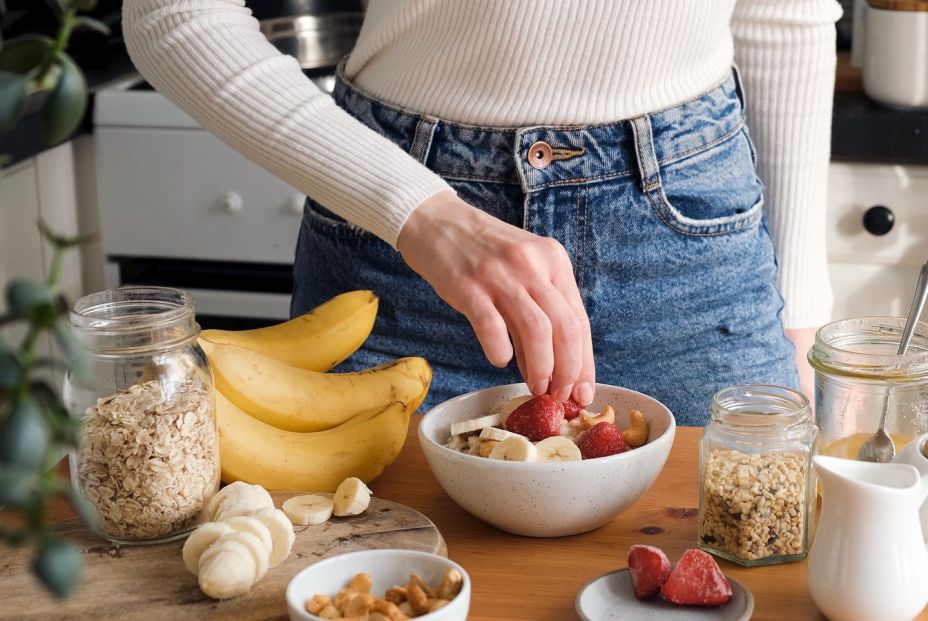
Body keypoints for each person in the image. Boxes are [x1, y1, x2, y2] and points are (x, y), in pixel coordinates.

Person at [123, 1, 840, 425]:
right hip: (405, 252)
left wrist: (799, 310)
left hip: (697, 258)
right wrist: (425, 214)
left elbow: (786, 13)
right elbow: (170, 13)